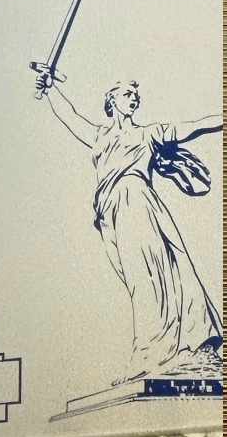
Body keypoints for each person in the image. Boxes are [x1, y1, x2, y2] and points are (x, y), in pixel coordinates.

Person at [31, 72, 222, 382]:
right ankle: (160, 349)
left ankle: (148, 353)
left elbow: (194, 126)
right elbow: (70, 117)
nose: (133, 99)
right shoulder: (99, 137)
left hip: (136, 203)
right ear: (111, 101)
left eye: (135, 96)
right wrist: (50, 89)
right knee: (137, 279)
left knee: (145, 279)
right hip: (110, 214)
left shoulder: (149, 134)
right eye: (126, 94)